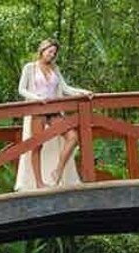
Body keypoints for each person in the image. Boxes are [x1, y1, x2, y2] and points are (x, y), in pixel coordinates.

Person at [15, 38, 92, 190]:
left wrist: (83, 92)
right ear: (42, 50)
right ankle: (38, 183)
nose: (52, 55)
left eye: (54, 53)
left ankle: (58, 171)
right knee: (37, 145)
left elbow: (65, 88)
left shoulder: (54, 69)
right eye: (50, 52)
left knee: (72, 137)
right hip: (37, 110)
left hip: (54, 110)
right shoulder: (30, 68)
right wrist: (37, 98)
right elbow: (21, 89)